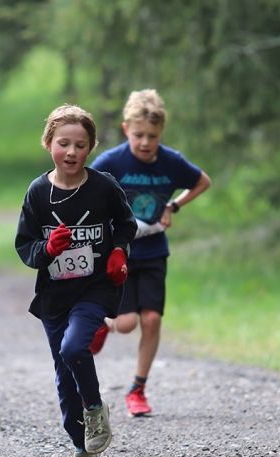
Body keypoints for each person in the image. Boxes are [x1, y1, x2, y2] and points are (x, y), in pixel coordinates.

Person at [15, 104, 137, 457]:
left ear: (91, 147)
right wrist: (48, 249)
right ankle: (82, 452)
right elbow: (25, 246)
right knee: (64, 380)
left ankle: (96, 410)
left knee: (73, 348)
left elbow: (126, 224)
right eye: (63, 143)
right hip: (55, 295)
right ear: (48, 143)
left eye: (80, 145)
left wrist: (118, 251)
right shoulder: (38, 193)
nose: (71, 152)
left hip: (95, 288)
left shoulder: (103, 186)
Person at [91, 89, 211, 417]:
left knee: (152, 319)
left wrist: (173, 205)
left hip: (155, 251)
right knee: (128, 323)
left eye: (153, 137)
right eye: (139, 135)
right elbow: (88, 190)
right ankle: (106, 325)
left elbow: (202, 182)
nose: (145, 143)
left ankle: (138, 390)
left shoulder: (171, 162)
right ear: (126, 128)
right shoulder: (112, 162)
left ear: (161, 134)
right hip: (121, 253)